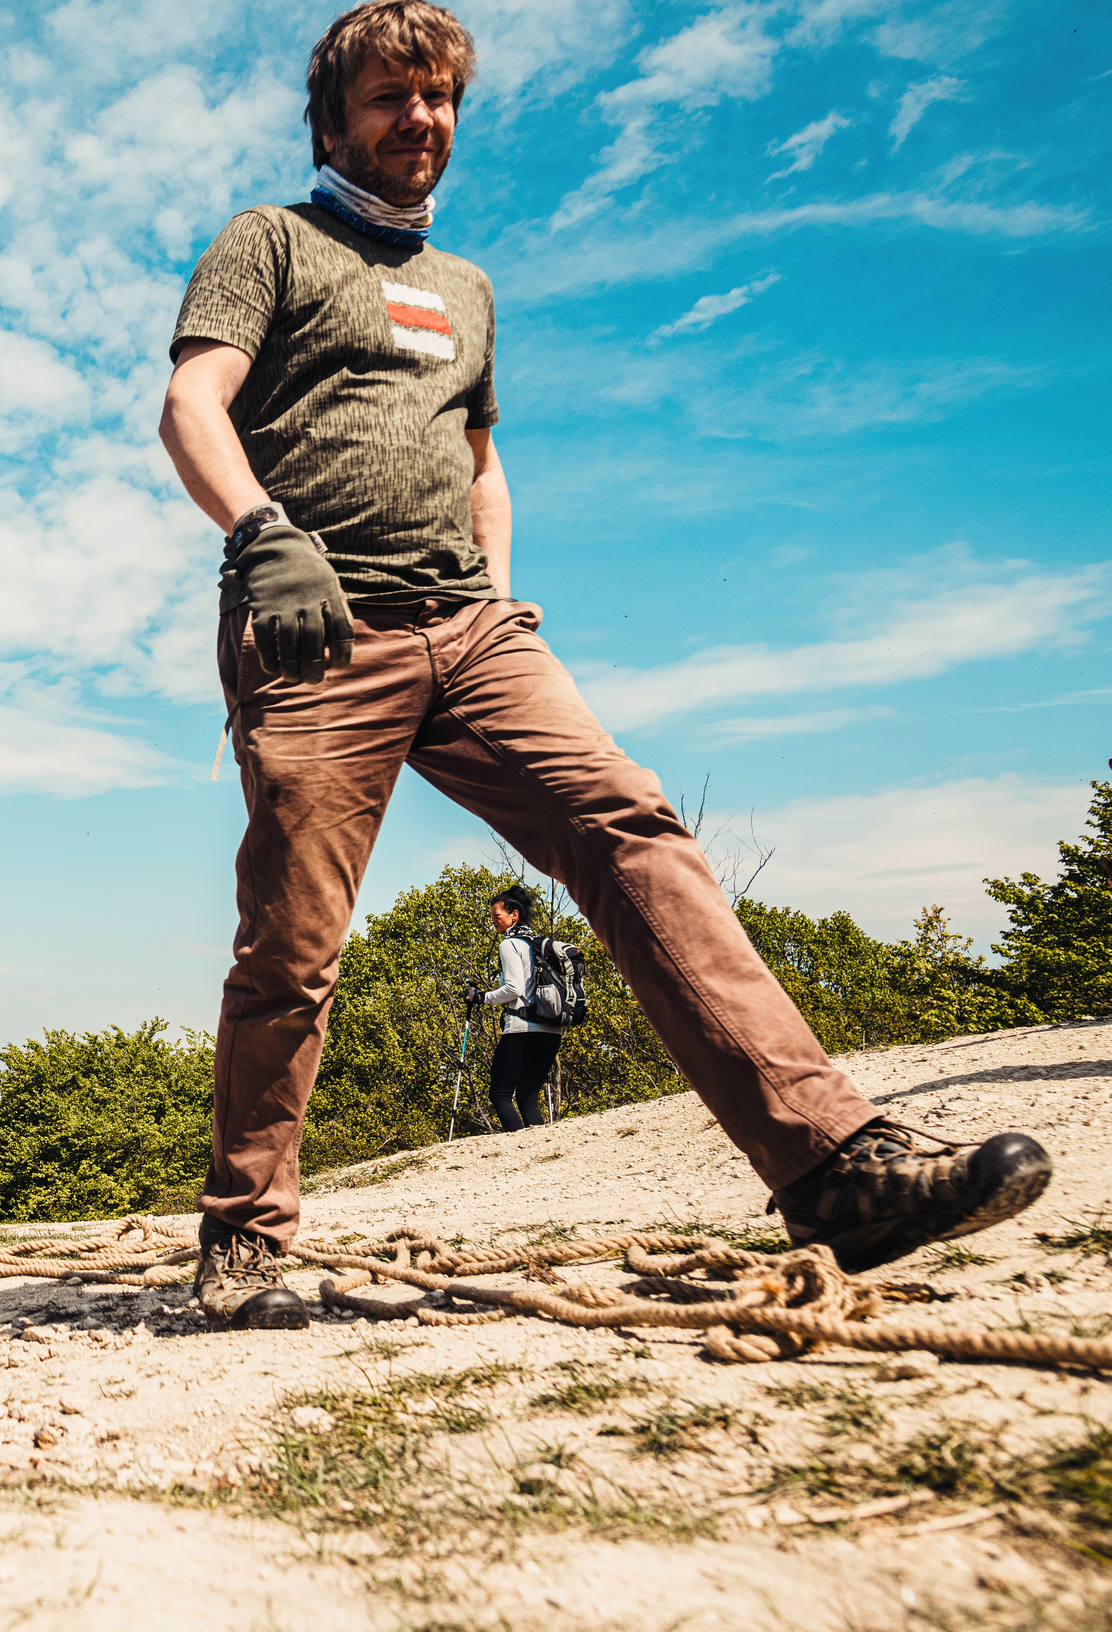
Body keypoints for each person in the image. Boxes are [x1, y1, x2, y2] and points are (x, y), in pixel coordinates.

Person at [155, 0, 1052, 1331]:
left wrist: (503, 608)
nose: (421, 118)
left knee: (630, 829)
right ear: (333, 117)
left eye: (439, 97)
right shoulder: (268, 242)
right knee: (291, 943)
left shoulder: (463, 291)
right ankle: (242, 1235)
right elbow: (189, 404)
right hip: (316, 630)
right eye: (390, 96)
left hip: (470, 630)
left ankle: (830, 1169)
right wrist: (258, 532)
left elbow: (477, 466)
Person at [470, 884, 559, 1134]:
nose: (492, 922)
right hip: (550, 1030)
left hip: (522, 1029)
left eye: (496, 916)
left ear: (514, 915)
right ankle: (539, 1152)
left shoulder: (510, 945)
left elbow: (514, 988)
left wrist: (482, 998)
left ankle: (517, 1152)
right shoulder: (538, 943)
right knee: (527, 1099)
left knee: (500, 1094)